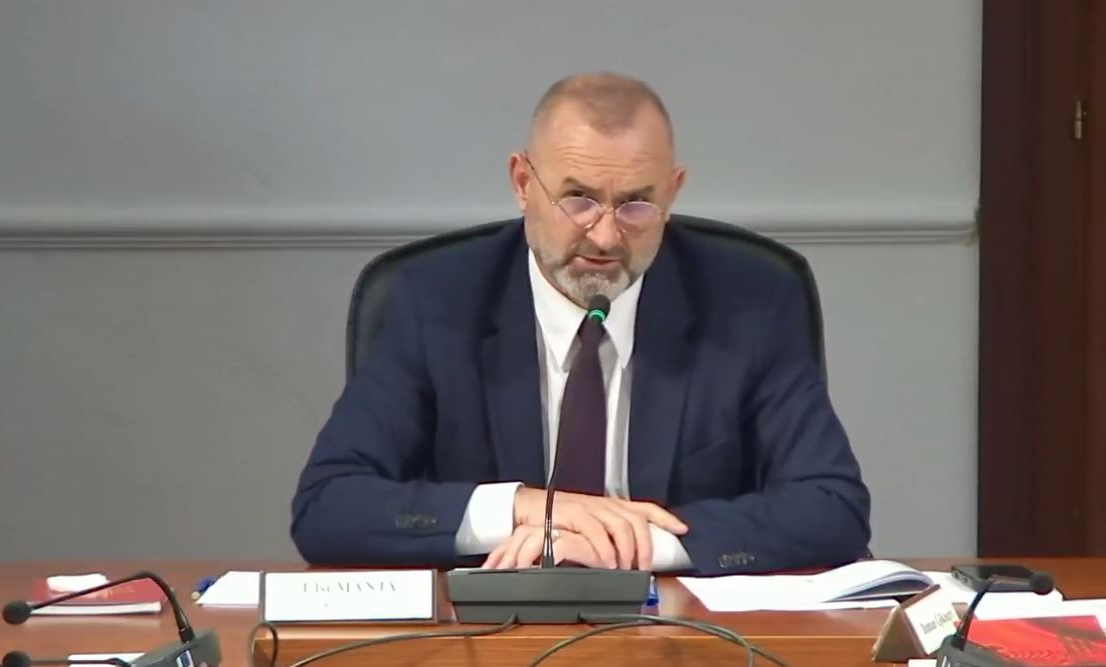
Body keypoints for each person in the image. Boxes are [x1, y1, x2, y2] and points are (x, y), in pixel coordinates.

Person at [290, 72, 871, 574]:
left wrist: (634, 542)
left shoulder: (748, 302)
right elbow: (329, 505)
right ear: (523, 183)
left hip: (679, 632)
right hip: (493, 631)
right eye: (578, 199)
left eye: (637, 203)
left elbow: (831, 506)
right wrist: (526, 508)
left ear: (673, 193)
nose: (606, 236)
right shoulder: (437, 300)